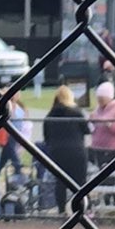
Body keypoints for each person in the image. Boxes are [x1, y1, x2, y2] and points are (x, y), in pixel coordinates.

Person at [39, 81, 90, 211]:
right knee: (80, 182)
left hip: (58, 152)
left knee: (60, 182)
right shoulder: (76, 113)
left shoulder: (50, 115)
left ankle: (61, 210)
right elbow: (87, 130)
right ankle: (81, 208)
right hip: (77, 151)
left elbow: (46, 137)